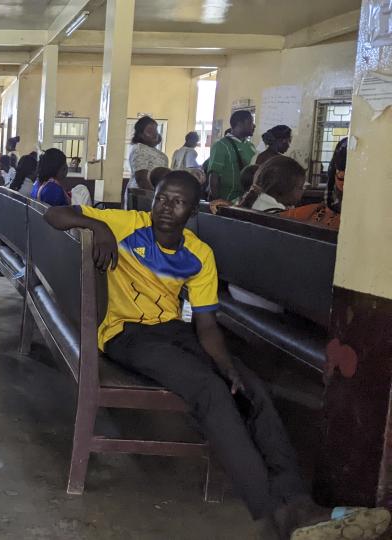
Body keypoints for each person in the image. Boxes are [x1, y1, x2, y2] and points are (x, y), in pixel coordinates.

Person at [43, 171, 391, 540]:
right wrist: (97, 227)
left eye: (178, 203)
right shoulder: (127, 223)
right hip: (125, 333)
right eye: (162, 198)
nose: (166, 208)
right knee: (208, 390)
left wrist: (229, 367)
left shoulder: (198, 254)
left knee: (250, 389)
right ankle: (275, 513)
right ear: (153, 199)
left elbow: (207, 326)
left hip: (174, 330)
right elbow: (55, 215)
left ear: (192, 211)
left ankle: (299, 501)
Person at [208, 110, 256, 201]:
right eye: (250, 122)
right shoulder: (221, 145)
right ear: (239, 124)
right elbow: (214, 175)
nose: (253, 126)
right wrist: (216, 200)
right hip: (228, 199)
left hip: (246, 199)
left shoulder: (250, 146)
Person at [127, 116, 169, 194]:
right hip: (143, 195)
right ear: (140, 134)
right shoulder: (139, 149)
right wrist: (155, 196)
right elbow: (141, 180)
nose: (155, 134)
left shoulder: (150, 148)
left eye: (156, 130)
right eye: (150, 131)